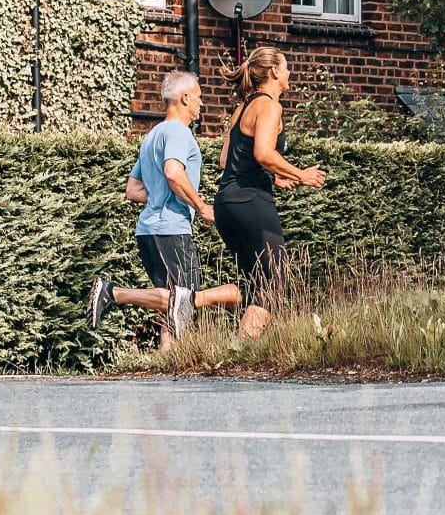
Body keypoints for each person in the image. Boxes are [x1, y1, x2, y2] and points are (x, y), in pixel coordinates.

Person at [86, 71, 241, 350]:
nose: (201, 104)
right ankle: (112, 293)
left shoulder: (152, 136)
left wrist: (163, 195)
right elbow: (173, 171)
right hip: (171, 229)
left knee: (172, 303)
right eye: (199, 98)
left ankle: (167, 358)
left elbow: (132, 189)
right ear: (184, 98)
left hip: (148, 230)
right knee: (186, 299)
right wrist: (200, 205)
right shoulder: (179, 132)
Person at [212, 46, 328, 339]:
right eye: (286, 67)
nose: (289, 73)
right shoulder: (270, 106)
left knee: (256, 282)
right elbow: (263, 152)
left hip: (226, 204)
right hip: (252, 201)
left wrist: (276, 178)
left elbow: (227, 160)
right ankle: (241, 353)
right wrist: (300, 173)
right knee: (273, 281)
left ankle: (238, 352)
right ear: (275, 71)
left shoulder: (242, 108)